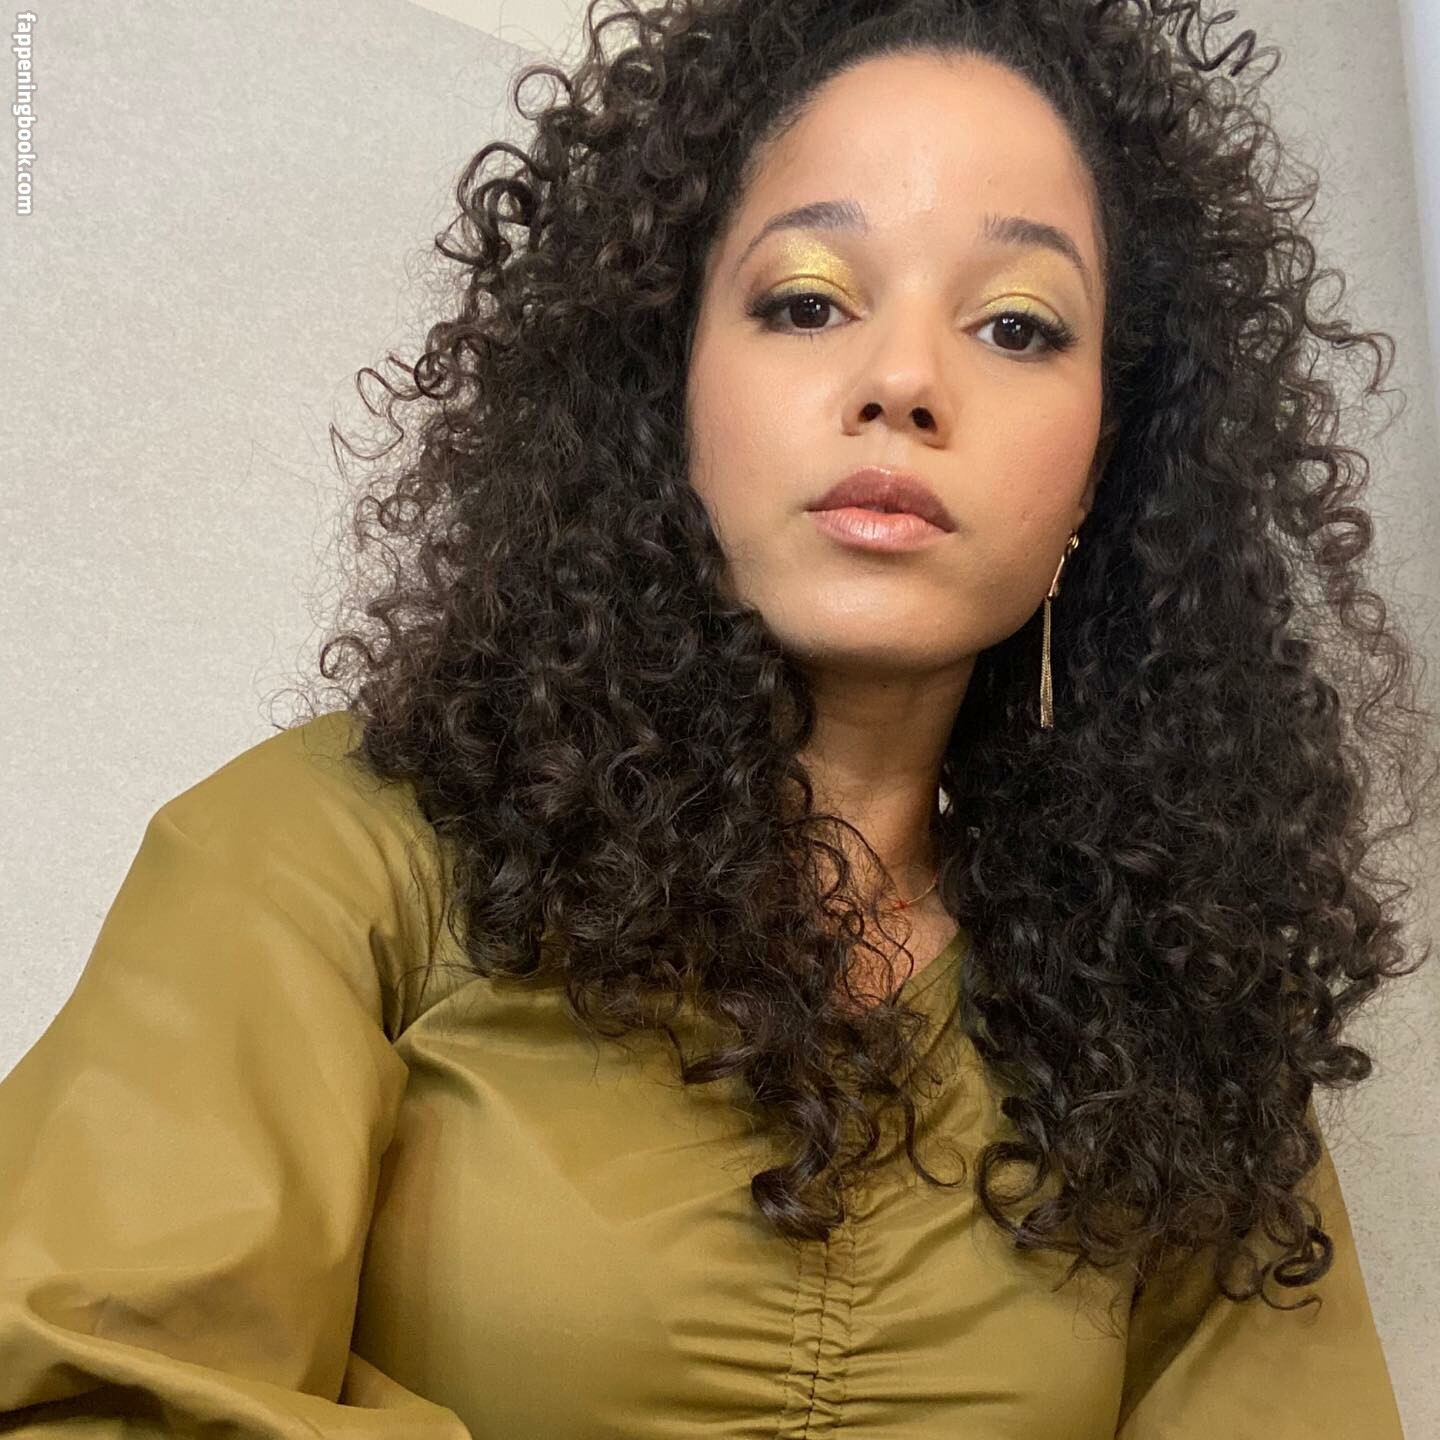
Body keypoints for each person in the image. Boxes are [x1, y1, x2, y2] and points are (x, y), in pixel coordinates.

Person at [1, 0, 1430, 1435]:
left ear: (1102, 463)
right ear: (667, 381)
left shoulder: (1171, 1006)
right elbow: (78, 1395)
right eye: (807, 301)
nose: (904, 382)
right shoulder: (321, 863)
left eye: (1016, 325)